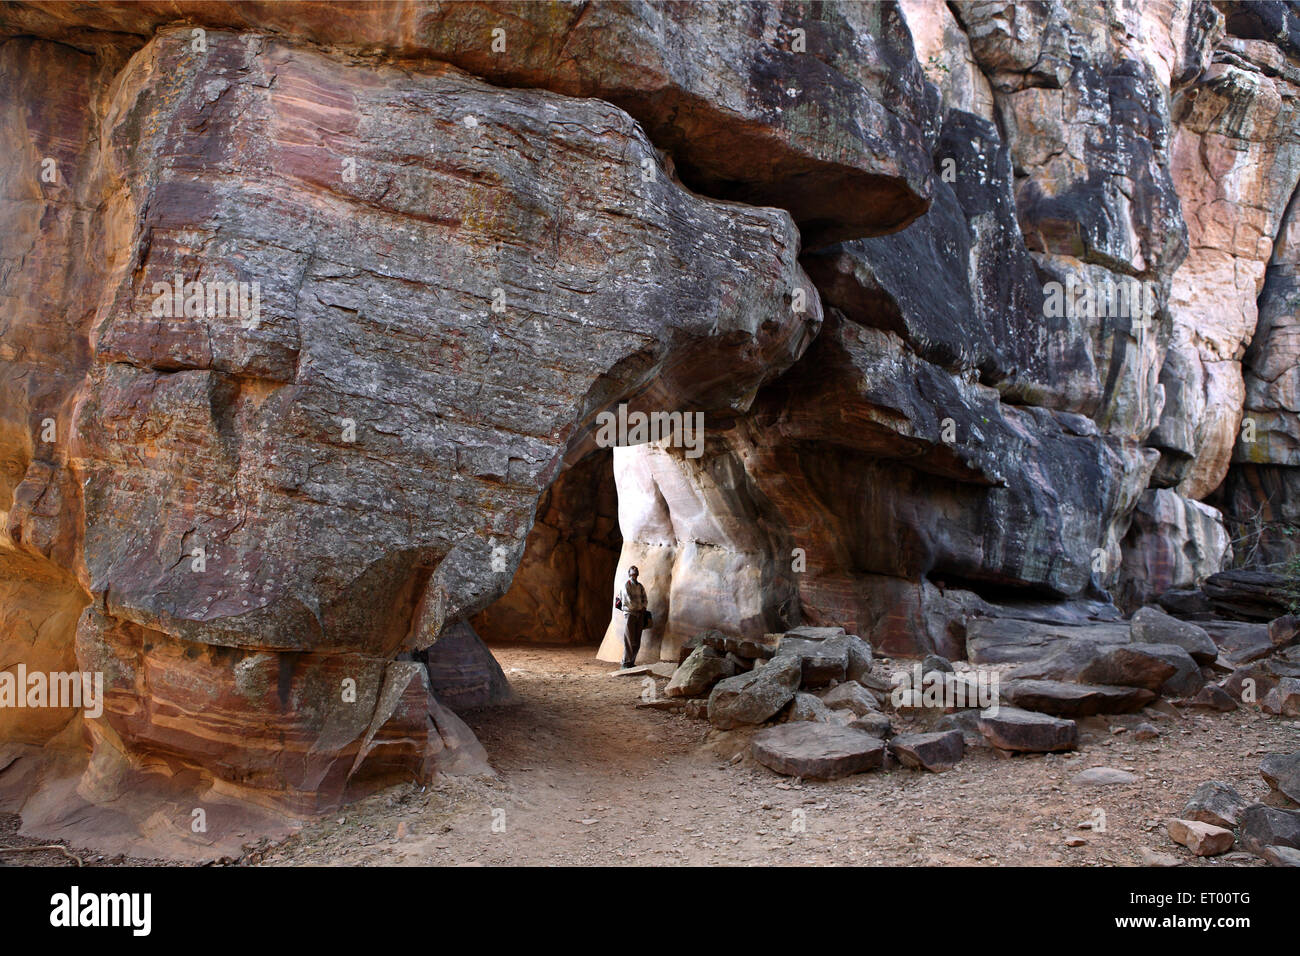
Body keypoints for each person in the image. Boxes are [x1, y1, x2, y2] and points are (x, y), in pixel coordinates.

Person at [614, 565, 650, 668]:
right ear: (629, 573)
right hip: (630, 614)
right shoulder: (626, 585)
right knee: (629, 639)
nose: (634, 572)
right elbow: (627, 600)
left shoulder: (640, 586)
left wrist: (643, 607)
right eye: (632, 570)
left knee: (637, 639)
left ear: (637, 574)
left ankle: (631, 662)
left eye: (636, 570)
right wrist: (639, 608)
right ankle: (625, 663)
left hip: (639, 614)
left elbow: (645, 599)